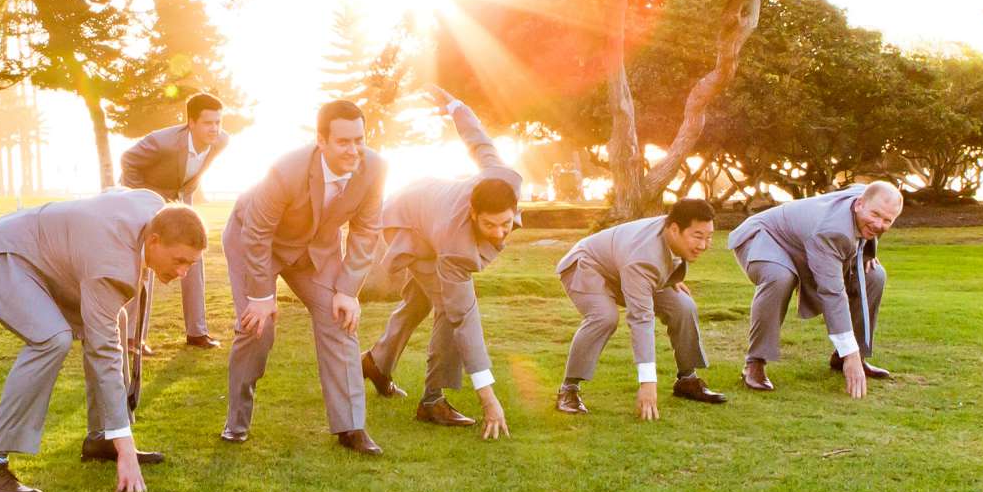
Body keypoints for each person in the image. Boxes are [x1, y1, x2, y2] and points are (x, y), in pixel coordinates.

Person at [0, 191, 206, 492]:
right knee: (52, 339)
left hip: (41, 261)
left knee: (118, 318)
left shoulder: (156, 207)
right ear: (153, 241)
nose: (183, 272)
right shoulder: (110, 265)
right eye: (179, 261)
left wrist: (117, 434)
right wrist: (127, 448)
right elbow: (105, 353)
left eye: (191, 263)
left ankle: (101, 437)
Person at [221, 99, 388, 453]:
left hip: (314, 253)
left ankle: (351, 427)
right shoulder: (287, 169)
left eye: (359, 139)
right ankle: (237, 422)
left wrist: (348, 289)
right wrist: (262, 297)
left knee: (339, 318)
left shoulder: (375, 168)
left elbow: (366, 231)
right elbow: (256, 233)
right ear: (321, 140)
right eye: (343, 141)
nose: (354, 149)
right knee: (257, 328)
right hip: (253, 241)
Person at [360, 88, 522, 439]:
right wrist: (488, 396)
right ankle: (432, 401)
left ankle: (376, 362)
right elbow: (465, 318)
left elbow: (479, 142)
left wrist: (456, 107)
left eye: (506, 223)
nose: (498, 233)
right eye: (489, 225)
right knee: (449, 310)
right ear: (473, 214)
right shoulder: (455, 243)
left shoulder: (503, 177)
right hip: (408, 224)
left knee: (420, 300)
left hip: (425, 200)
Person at [554, 199, 726, 417]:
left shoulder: (670, 226)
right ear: (674, 229)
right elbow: (641, 319)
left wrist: (670, 277)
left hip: (624, 268)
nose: (703, 245)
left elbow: (662, 258)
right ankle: (568, 389)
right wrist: (648, 382)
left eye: (708, 237)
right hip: (586, 266)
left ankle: (687, 379)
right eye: (698, 236)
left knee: (683, 305)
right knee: (604, 317)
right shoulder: (642, 259)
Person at [730, 181, 904, 396]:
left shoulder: (867, 196)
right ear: (859, 205)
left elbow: (870, 215)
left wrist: (868, 252)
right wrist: (850, 350)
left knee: (874, 275)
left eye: (887, 220)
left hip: (807, 242)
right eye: (875, 215)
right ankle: (755, 362)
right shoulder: (832, 230)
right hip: (767, 237)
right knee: (780, 277)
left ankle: (846, 359)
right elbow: (832, 292)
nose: (879, 224)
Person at [117, 91, 229, 353]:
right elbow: (128, 161)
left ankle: (197, 332)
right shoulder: (162, 143)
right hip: (145, 199)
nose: (214, 128)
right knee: (144, 264)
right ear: (191, 122)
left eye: (218, 122)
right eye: (207, 123)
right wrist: (147, 197)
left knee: (193, 259)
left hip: (179, 199)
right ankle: (134, 337)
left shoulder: (221, 141)